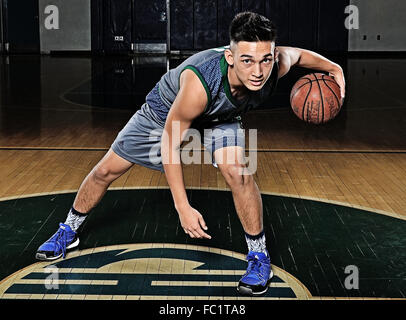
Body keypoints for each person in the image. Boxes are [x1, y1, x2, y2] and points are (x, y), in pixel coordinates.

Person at [35, 11, 345, 296]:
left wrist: (334, 68)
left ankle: (258, 255)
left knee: (238, 172)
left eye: (264, 60)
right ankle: (68, 231)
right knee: (105, 171)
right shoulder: (200, 81)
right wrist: (183, 207)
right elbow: (170, 144)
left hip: (220, 118)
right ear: (231, 56)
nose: (258, 71)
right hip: (164, 114)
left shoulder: (275, 63)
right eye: (247, 60)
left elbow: (301, 55)